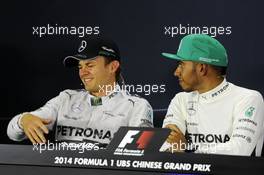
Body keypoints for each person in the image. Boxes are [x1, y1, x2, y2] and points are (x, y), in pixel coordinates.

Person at [7, 38, 153, 147]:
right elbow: (13, 134)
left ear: (113, 67)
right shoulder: (66, 98)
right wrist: (24, 120)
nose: (83, 73)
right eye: (80, 66)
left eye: (90, 65)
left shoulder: (136, 106)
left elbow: (141, 152)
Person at [161, 34, 264, 156]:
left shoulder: (248, 98)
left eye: (181, 64)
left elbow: (239, 151)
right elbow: (166, 144)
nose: (176, 72)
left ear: (202, 68)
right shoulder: (181, 99)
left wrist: (188, 148)